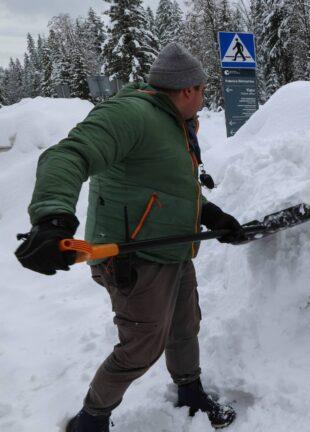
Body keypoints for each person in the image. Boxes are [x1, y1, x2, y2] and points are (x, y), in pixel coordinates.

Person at [15, 43, 242, 431]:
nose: (205, 101)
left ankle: (189, 390)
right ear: (187, 90)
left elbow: (168, 185)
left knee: (185, 326)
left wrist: (211, 214)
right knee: (141, 345)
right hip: (133, 259)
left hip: (171, 248)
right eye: (204, 91)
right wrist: (52, 217)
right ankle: (91, 418)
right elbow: (68, 155)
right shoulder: (130, 114)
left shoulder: (173, 121)